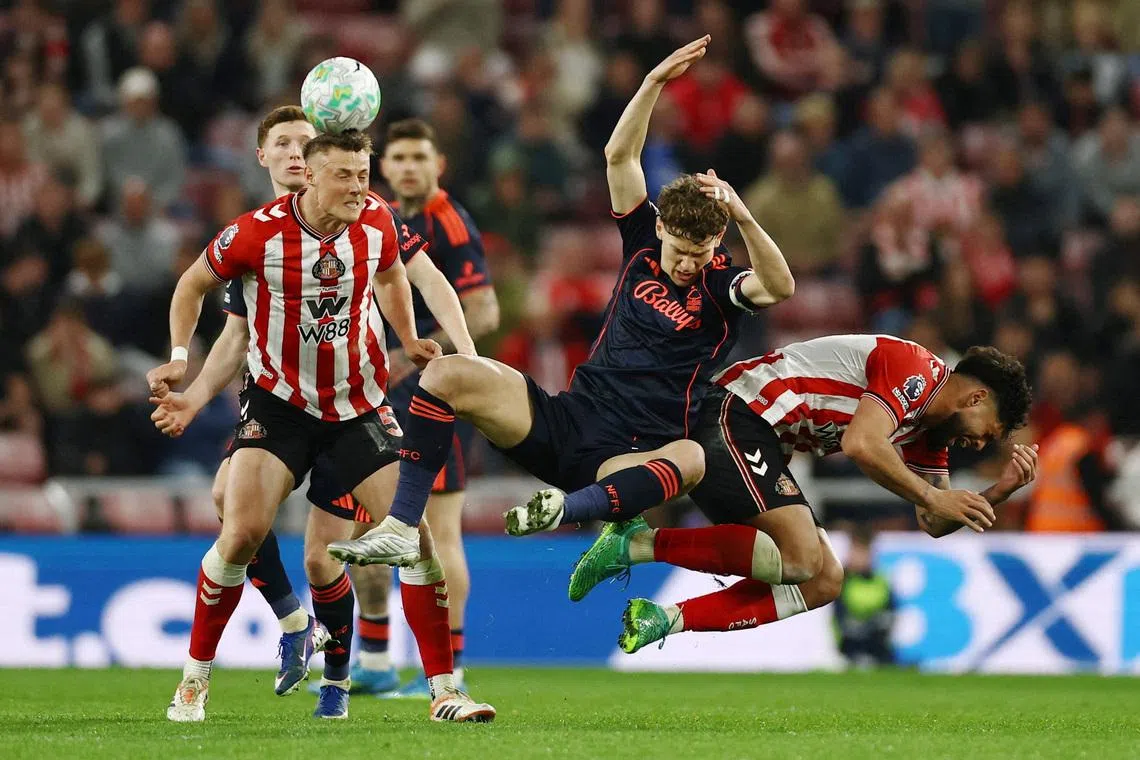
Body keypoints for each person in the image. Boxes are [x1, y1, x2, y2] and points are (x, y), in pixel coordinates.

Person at [327, 36, 795, 568]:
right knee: (446, 374)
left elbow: (779, 287)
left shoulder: (720, 286)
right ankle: (402, 527)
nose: (687, 264)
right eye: (681, 251)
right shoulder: (643, 239)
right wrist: (652, 84)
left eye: (700, 253)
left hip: (628, 456)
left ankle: (565, 510)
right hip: (567, 419)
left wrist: (746, 217)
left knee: (691, 458)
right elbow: (620, 155)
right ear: (662, 226)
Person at [149, 128, 494, 724]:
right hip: (279, 408)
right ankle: (193, 681)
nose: (359, 186)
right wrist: (181, 363)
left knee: (415, 540)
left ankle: (445, 691)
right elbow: (191, 285)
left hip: (357, 408)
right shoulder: (257, 232)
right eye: (344, 175)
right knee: (240, 534)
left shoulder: (377, 221)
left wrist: (409, 337)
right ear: (309, 175)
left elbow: (392, 276)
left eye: (363, 174)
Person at [566, 336, 1036, 653]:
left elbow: (934, 523)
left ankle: (662, 619)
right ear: (976, 398)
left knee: (823, 580)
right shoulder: (915, 370)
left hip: (760, 442)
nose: (977, 445)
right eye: (985, 433)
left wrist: (998, 491)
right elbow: (861, 443)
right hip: (736, 412)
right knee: (800, 555)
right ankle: (634, 544)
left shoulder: (930, 432)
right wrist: (933, 498)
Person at [346, 117, 499, 698]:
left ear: (439, 165)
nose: (408, 167)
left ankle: (452, 670)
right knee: (365, 523)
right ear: (382, 167)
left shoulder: (449, 221)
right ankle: (377, 659)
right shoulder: (376, 215)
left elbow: (483, 312)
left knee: (439, 531)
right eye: (399, 158)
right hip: (370, 398)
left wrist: (408, 359)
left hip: (432, 397)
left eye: (419, 157)